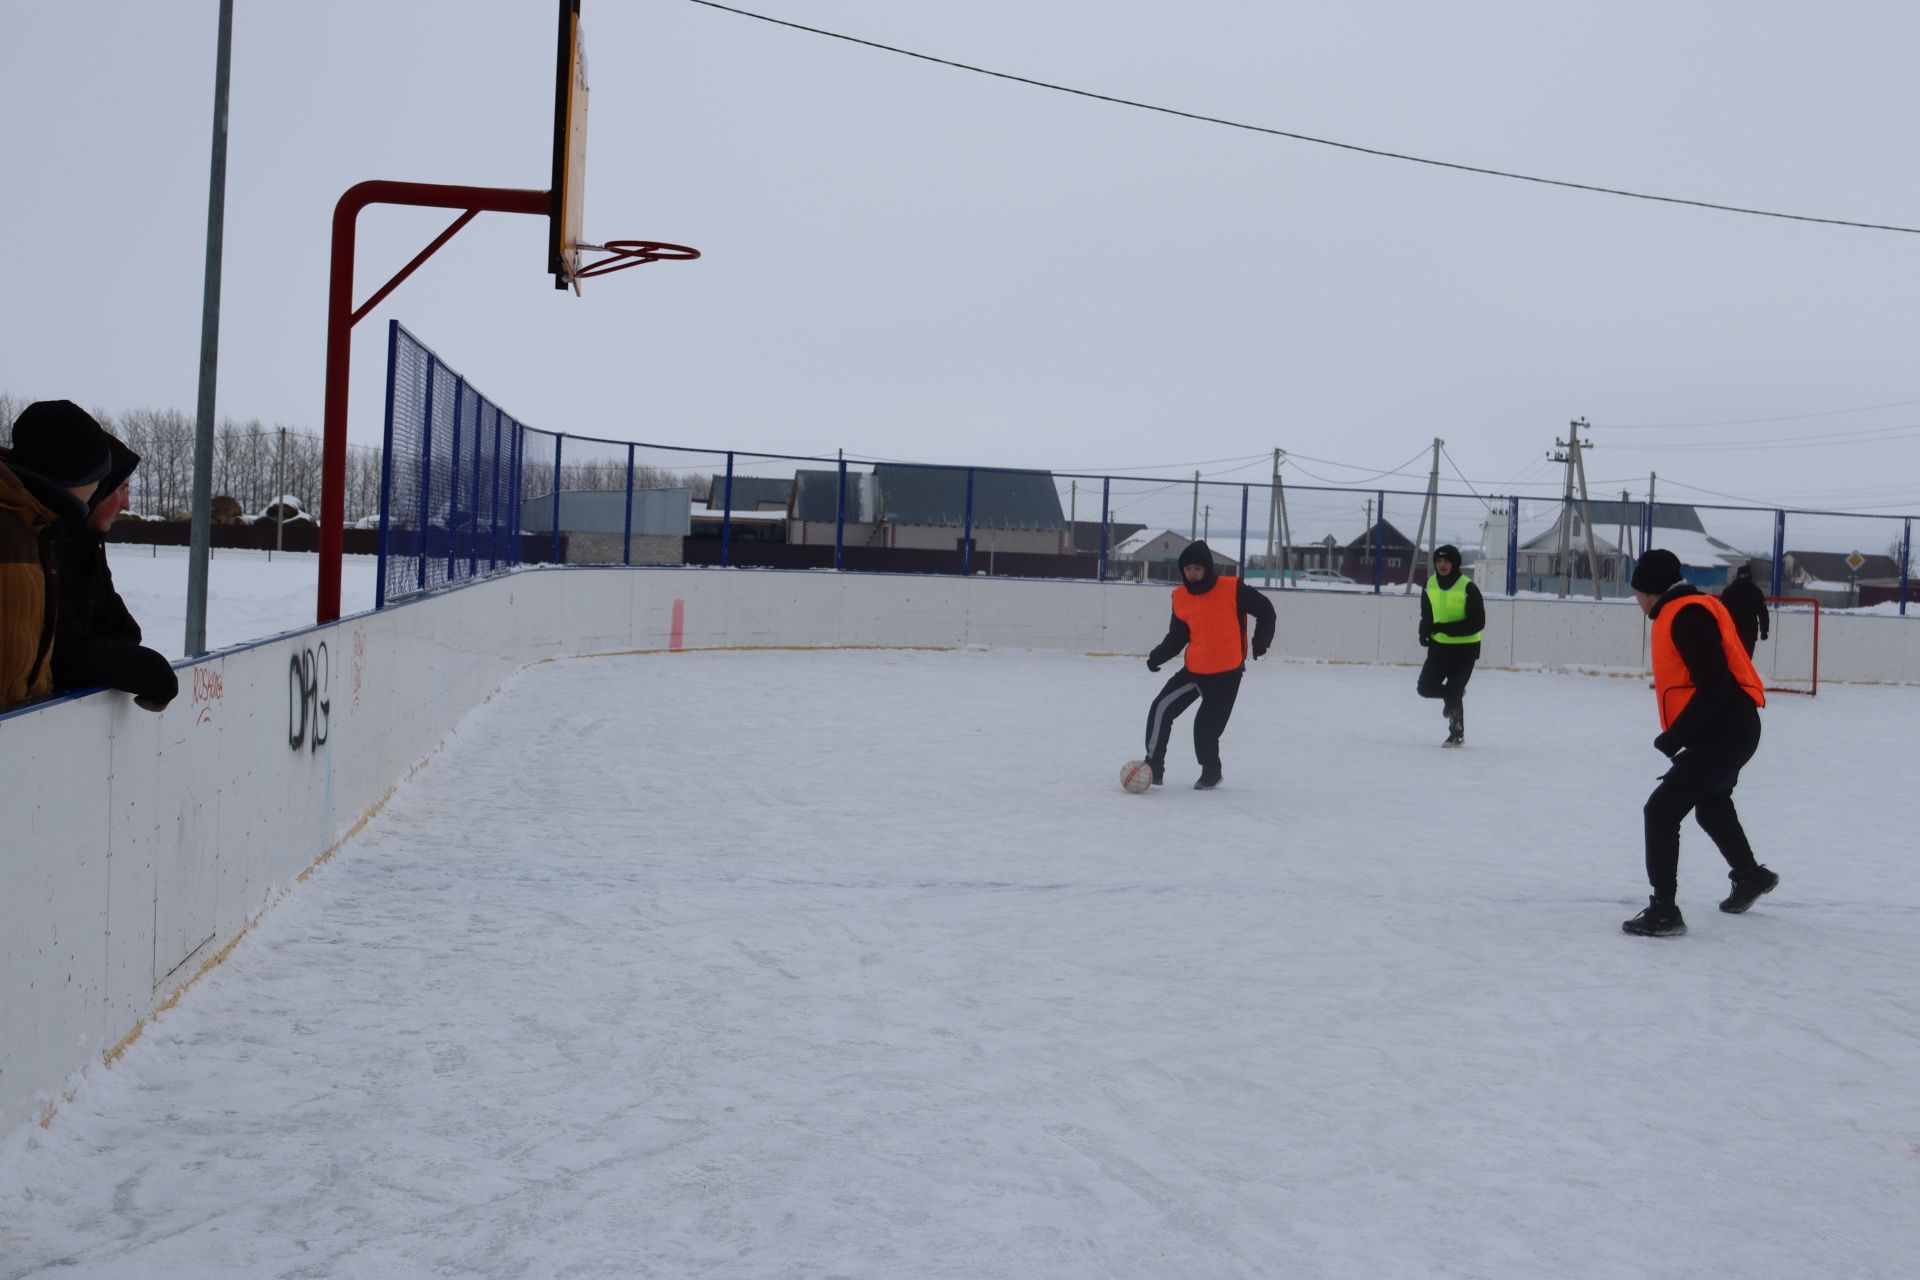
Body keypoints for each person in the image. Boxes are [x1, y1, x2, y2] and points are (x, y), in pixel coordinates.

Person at [1622, 548, 1778, 937]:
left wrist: (1677, 736)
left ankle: (1664, 911)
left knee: (1660, 811)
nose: (1637, 600)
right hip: (1730, 729)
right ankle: (1750, 876)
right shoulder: (1686, 608)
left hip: (1725, 731)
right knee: (1710, 806)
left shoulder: (1686, 616)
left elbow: (1715, 686)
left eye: (1638, 592)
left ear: (1650, 590)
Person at [51, 433, 178, 712]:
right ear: (95, 488)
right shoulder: (47, 549)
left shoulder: (88, 546)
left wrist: (108, 657)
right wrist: (141, 669)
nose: (126, 504)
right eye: (121, 488)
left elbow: (123, 629)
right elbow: (63, 652)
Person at [1, 400, 113, 711]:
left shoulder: (37, 531)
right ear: (71, 474)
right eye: (97, 478)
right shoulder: (14, 533)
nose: (99, 490)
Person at [1143, 540, 1276, 789]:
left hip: (1227, 675)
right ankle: (1153, 766)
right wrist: (1157, 657)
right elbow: (1177, 637)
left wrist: (1261, 642)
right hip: (1194, 672)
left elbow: (1265, 609)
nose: (1192, 574)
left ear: (1208, 568)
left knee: (1204, 729)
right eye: (1188, 569)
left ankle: (1211, 771)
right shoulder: (1181, 597)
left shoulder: (1231, 589)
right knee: (1161, 708)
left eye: (1197, 568)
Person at [1416, 544, 1484, 746]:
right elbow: (1427, 614)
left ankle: (1457, 734)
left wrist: (1445, 628)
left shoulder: (1468, 587)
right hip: (1439, 649)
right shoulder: (1429, 585)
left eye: (1446, 561)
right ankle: (1453, 695)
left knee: (1453, 691)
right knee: (1425, 688)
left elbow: (1477, 623)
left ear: (1454, 563)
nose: (1442, 565)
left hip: (1466, 650)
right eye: (1438, 561)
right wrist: (1423, 631)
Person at [1718, 563, 1770, 657]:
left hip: (1732, 632)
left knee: (1732, 661)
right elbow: (1763, 612)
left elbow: (1720, 611)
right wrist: (1764, 630)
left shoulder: (1729, 591)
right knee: (1746, 661)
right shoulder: (1755, 591)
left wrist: (1719, 629)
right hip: (1749, 633)